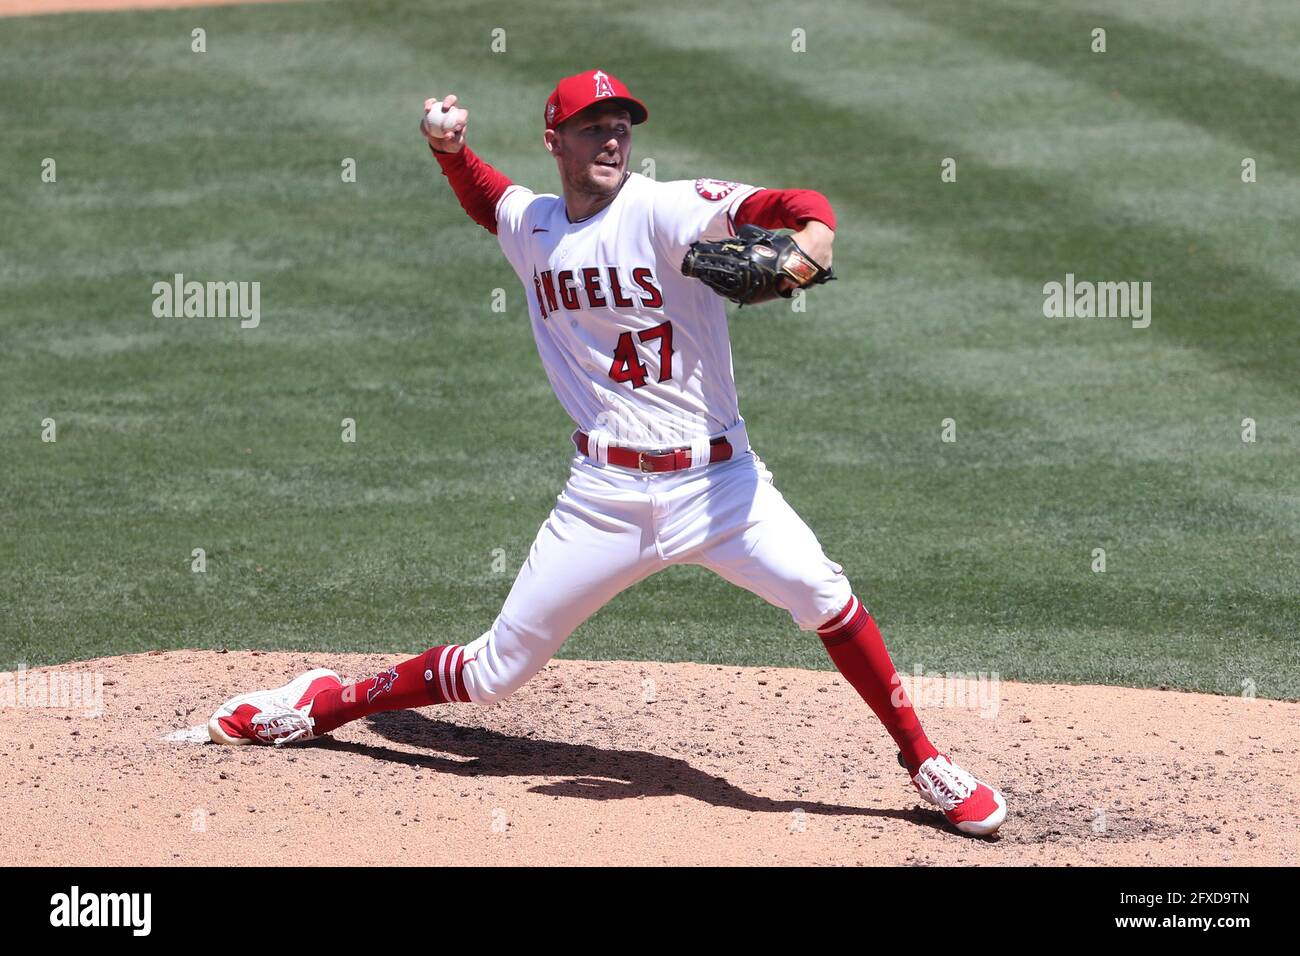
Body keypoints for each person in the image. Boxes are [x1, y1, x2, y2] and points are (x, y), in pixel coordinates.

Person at [208, 68, 1007, 837]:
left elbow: (792, 203)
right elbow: (492, 202)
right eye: (594, 126)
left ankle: (925, 760)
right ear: (554, 138)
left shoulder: (669, 209)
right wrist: (449, 152)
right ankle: (325, 702)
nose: (613, 138)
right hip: (603, 496)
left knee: (825, 595)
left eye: (621, 125)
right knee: (494, 674)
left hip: (721, 487)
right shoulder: (535, 226)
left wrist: (816, 239)